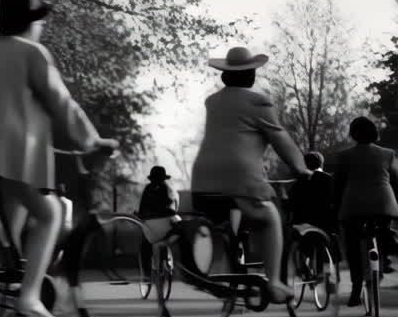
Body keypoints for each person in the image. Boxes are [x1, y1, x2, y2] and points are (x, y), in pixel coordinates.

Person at [0, 0, 118, 317]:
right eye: (41, 21)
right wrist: (92, 140)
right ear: (32, 22)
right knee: (51, 213)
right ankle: (28, 298)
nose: (43, 26)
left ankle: (11, 277)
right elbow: (61, 102)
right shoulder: (33, 52)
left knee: (13, 205)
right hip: (10, 149)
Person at [190, 46, 309, 303]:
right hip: (239, 179)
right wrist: (300, 168)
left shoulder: (213, 102)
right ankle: (274, 283)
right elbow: (281, 139)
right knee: (270, 217)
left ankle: (224, 271)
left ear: (225, 74)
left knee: (225, 223)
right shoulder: (258, 102)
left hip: (202, 181)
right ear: (251, 74)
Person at [332, 117, 398, 307]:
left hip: (354, 206)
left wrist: (335, 207)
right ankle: (386, 255)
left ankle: (356, 288)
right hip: (383, 205)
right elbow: (396, 180)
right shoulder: (388, 154)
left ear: (353, 134)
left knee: (352, 245)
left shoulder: (344, 156)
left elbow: (337, 185)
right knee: (383, 233)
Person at [136, 165, 181, 274]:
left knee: (145, 245)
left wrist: (140, 215)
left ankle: (146, 273)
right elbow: (174, 208)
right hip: (167, 224)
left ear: (151, 178)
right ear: (164, 178)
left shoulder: (148, 189)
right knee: (180, 230)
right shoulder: (169, 189)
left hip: (151, 226)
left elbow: (142, 209)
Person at [287, 151, 336, 236]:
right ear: (321, 164)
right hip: (324, 224)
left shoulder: (298, 182)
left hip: (301, 226)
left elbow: (290, 204)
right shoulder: (330, 179)